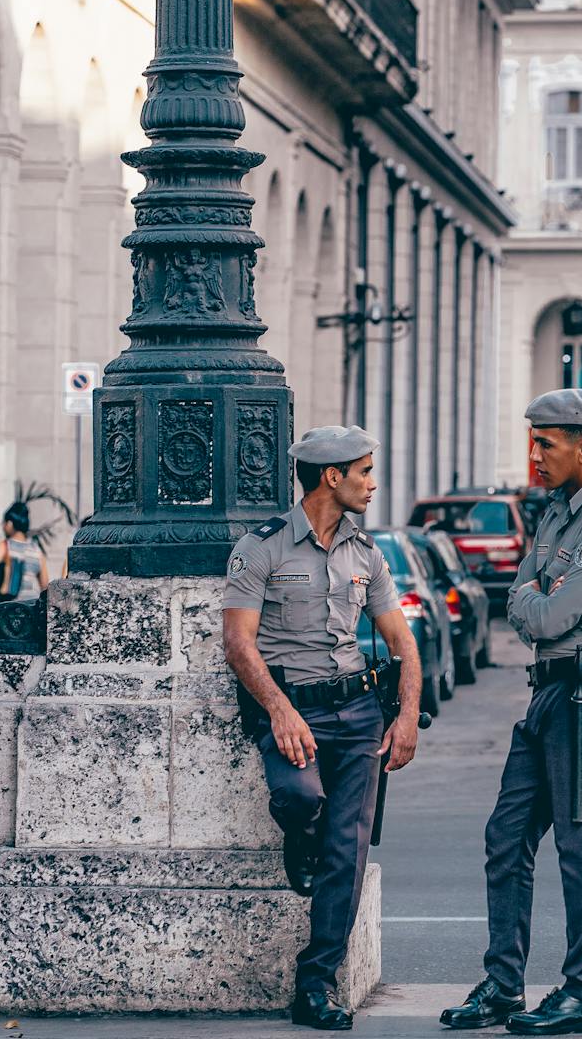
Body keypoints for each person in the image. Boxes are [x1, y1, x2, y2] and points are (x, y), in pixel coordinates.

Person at [440, 388, 582, 1037]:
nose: (535, 455)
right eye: (534, 441)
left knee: (581, 845)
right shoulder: (558, 512)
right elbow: (521, 598)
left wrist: (533, 598)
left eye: (546, 443)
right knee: (505, 836)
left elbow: (545, 612)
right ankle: (504, 986)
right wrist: (534, 597)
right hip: (550, 691)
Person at [222, 425, 421, 1031]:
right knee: (299, 795)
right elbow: (238, 643)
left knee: (348, 853)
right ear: (331, 477)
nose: (373, 482)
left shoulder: (367, 553)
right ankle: (299, 834)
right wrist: (281, 710)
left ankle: (317, 983)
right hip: (294, 708)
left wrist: (407, 714)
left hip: (359, 712)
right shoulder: (262, 549)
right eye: (364, 471)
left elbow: (400, 641)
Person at [0, 502, 51, 604]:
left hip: (10, 609)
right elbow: (45, 586)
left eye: (4, 523)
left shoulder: (5, 546)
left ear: (9, 524)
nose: (3, 527)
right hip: (32, 607)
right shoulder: (37, 550)